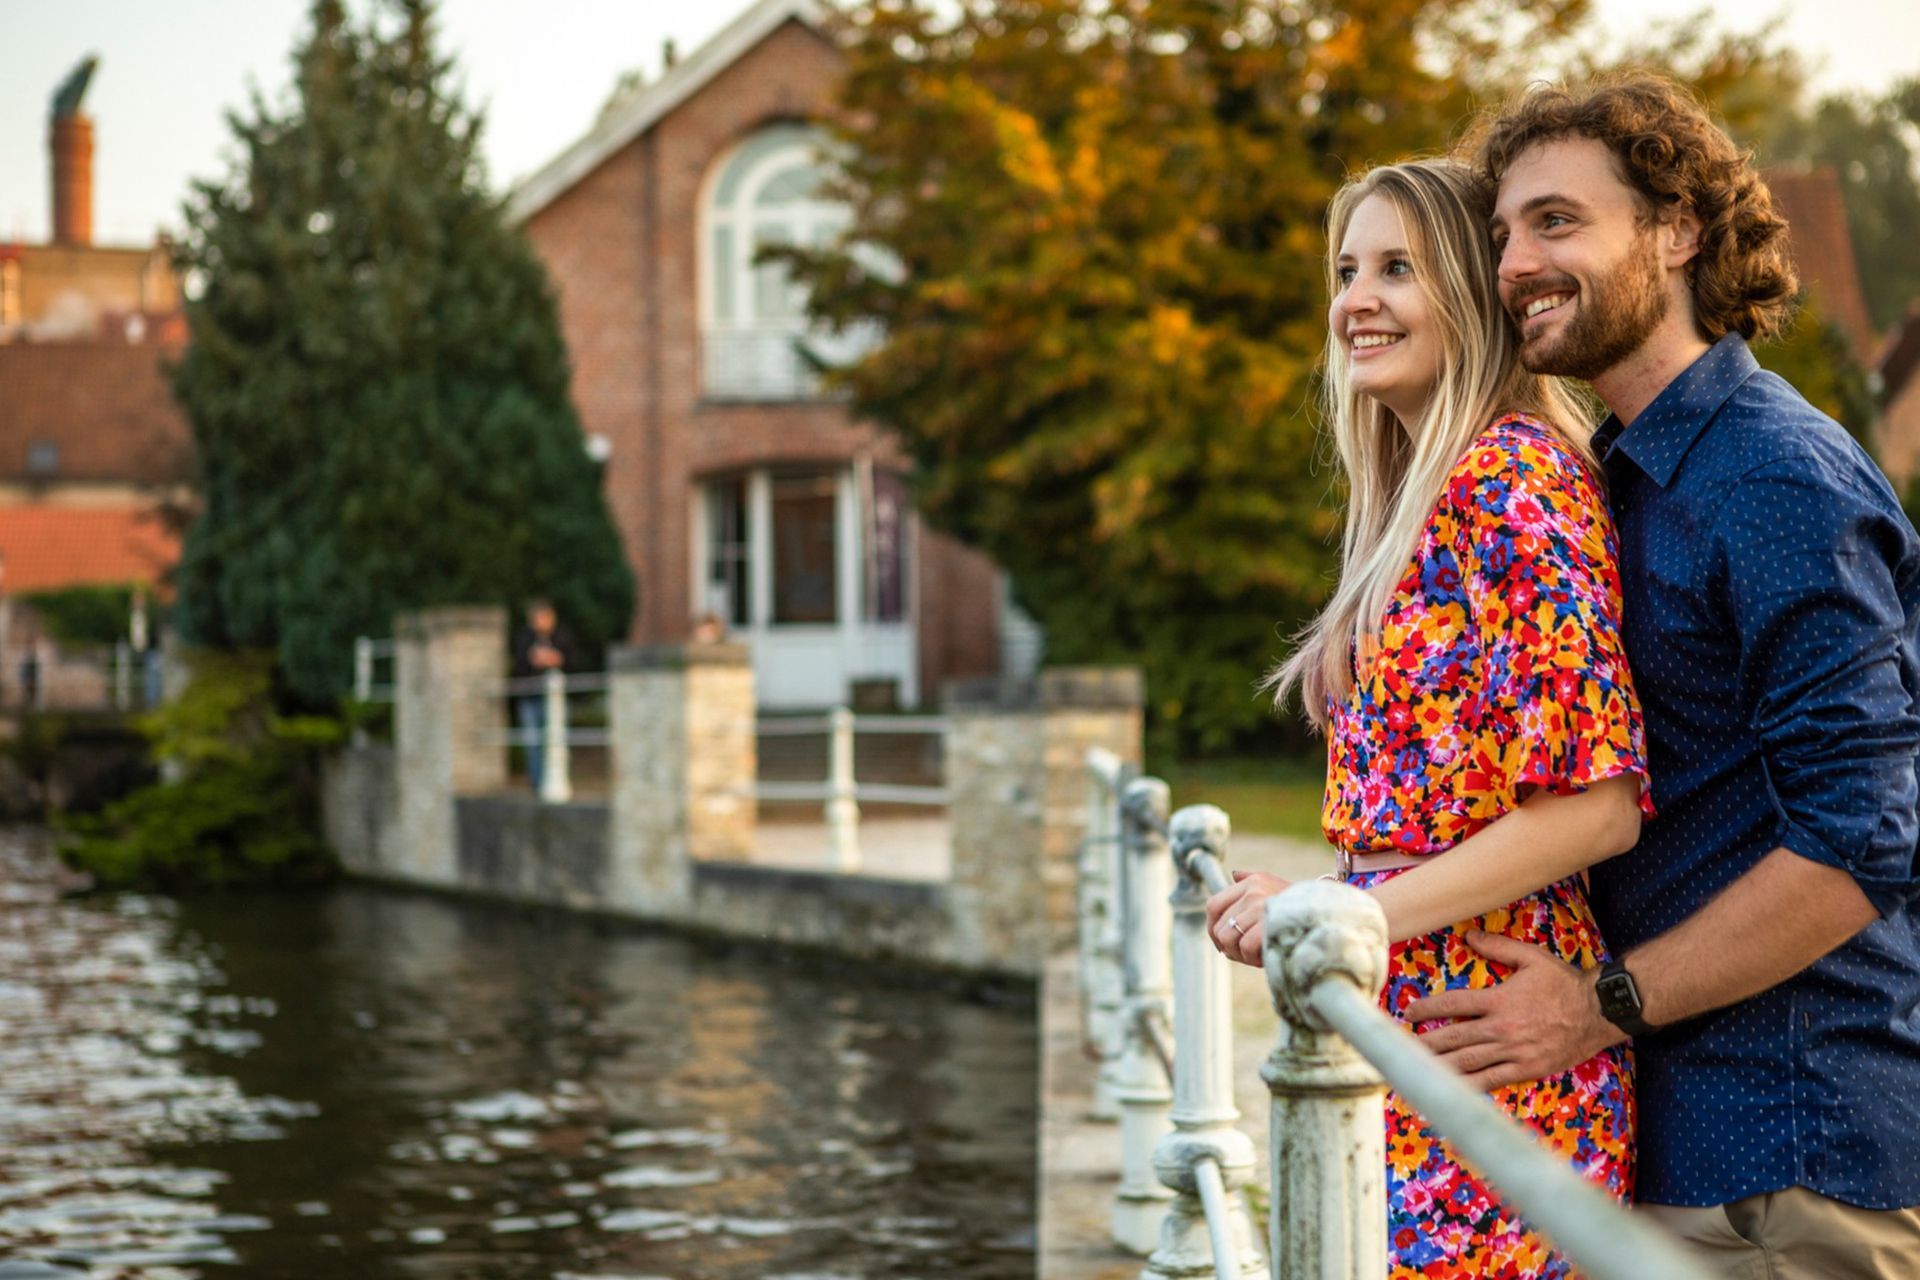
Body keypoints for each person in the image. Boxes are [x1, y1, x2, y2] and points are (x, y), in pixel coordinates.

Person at [1399, 75, 1920, 1277]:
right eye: (1502, 235)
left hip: (1793, 1163)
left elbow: (1859, 843)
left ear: (1677, 231)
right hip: (1682, 1147)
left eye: (1557, 221)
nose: (1515, 261)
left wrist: (1597, 1003)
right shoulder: (1620, 477)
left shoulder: (1774, 477)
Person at [1205, 158, 1652, 1278]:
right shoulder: (1428, 496)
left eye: (1398, 267)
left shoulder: (1513, 482)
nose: (1358, 297)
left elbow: (1593, 807)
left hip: (1492, 1047)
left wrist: (1347, 919)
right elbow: (1431, 813)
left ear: (1466, 286)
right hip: (1415, 1025)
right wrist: (1329, 897)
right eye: (1347, 269)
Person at [510, 599, 571, 794]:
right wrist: (531, 661)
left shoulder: (562, 637)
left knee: (557, 737)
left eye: (546, 618)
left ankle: (559, 778)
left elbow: (574, 662)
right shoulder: (523, 639)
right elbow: (516, 667)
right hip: (530, 696)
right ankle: (536, 782)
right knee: (532, 740)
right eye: (538, 618)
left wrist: (557, 659)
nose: (542, 622)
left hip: (555, 698)